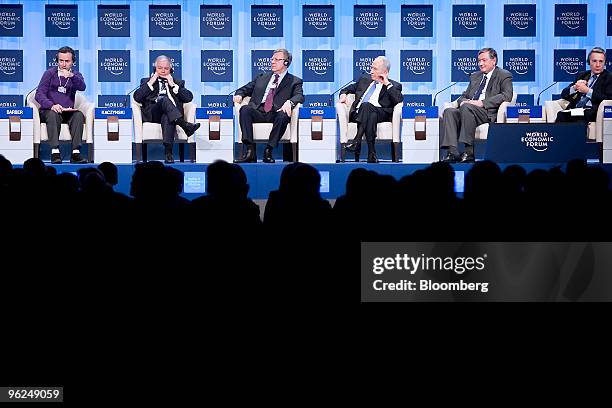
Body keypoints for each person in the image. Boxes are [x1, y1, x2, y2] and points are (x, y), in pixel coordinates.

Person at [441, 47, 513, 163]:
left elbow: (506, 96)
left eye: (484, 60)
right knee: (449, 111)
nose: (480, 63)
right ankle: (453, 152)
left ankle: (469, 152)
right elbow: (464, 95)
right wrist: (463, 101)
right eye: (479, 61)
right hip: (468, 110)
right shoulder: (475, 76)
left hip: (487, 112)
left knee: (467, 108)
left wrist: (482, 103)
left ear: (493, 60)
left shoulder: (504, 75)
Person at [233, 48, 304, 164]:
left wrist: (290, 102)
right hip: (259, 111)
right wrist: (240, 94)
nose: (272, 62)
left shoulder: (294, 81)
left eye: (276, 59)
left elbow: (299, 96)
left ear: (286, 62)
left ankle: (268, 150)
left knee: (283, 115)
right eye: (272, 59)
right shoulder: (262, 77)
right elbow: (244, 89)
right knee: (245, 109)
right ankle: (250, 151)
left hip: (277, 113)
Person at [133, 55, 200, 164]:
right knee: (164, 100)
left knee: (167, 116)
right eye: (160, 68)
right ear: (155, 68)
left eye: (166, 68)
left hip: (171, 115)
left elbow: (189, 98)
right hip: (153, 114)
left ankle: (168, 153)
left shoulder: (178, 82)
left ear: (171, 69)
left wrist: (173, 85)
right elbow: (137, 97)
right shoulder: (146, 81)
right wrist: (151, 82)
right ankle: (185, 125)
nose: (163, 71)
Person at [340, 56, 403, 163]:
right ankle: (371, 153)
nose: (371, 71)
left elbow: (398, 100)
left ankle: (357, 141)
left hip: (381, 114)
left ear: (384, 71)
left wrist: (386, 83)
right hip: (360, 114)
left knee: (367, 107)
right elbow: (345, 89)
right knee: (368, 110)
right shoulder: (364, 80)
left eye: (375, 69)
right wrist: (343, 95)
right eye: (371, 68)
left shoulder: (394, 85)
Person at [35, 46, 88, 164]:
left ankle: (75, 153)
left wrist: (72, 77)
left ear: (73, 62)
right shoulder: (49, 73)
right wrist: (51, 105)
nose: (63, 64)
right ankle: (55, 152)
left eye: (67, 61)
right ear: (57, 61)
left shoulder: (76, 75)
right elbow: (39, 94)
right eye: (61, 61)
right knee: (53, 114)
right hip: (49, 110)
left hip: (66, 112)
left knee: (78, 115)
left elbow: (82, 87)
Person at [556, 47, 612, 124]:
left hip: (593, 111)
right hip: (576, 109)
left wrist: (588, 91)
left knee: (581, 116)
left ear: (605, 63)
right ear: (589, 62)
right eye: (594, 61)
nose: (598, 65)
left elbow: (608, 99)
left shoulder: (609, 77)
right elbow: (564, 95)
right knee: (561, 114)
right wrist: (575, 87)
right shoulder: (582, 75)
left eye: (601, 61)